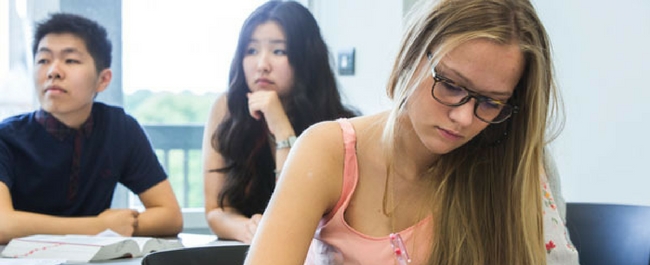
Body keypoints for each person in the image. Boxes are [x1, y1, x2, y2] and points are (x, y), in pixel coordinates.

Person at [245, 0, 580, 264]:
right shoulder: (328, 150)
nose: (464, 117)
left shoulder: (516, 164)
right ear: (411, 55)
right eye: (450, 85)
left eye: (491, 102)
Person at [0, 13, 183, 244]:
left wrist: (117, 226)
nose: (53, 71)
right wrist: (98, 226)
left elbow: (170, 215)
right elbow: (2, 224)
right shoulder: (6, 137)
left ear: (103, 80)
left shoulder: (120, 128)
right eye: (43, 60)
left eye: (70, 60)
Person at [202, 0, 357, 244]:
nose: (262, 65)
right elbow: (215, 211)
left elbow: (297, 210)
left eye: (278, 51)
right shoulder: (227, 109)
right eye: (251, 51)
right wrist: (246, 227)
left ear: (306, 59)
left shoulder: (342, 127)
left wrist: (280, 126)